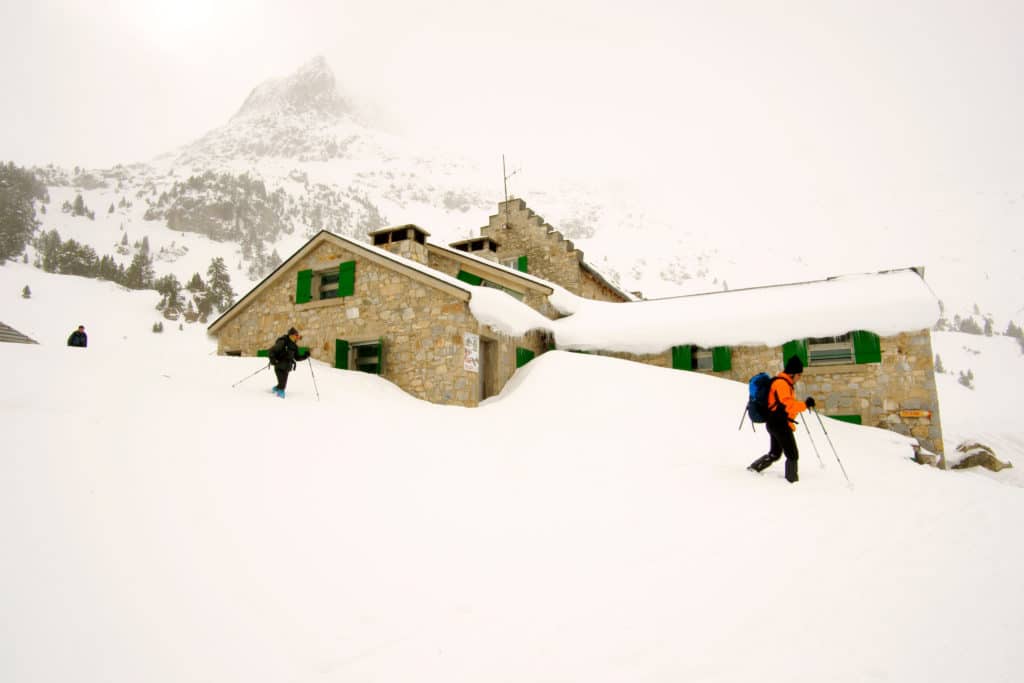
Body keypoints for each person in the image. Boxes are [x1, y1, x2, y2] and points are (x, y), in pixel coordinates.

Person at [747, 355, 816, 483]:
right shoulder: (781, 384)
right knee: (792, 455)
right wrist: (805, 405)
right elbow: (788, 404)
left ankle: (753, 469)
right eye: (799, 375)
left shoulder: (785, 383)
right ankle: (792, 482)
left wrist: (802, 407)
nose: (800, 378)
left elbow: (787, 407)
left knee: (775, 453)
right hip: (778, 424)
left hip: (775, 423)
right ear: (792, 374)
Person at [268, 327, 309, 398]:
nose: (297, 337)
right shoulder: (283, 342)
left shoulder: (294, 346)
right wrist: (273, 360)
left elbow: (297, 358)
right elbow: (272, 351)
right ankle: (280, 398)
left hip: (287, 367)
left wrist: (305, 356)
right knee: (282, 384)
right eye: (295, 335)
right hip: (279, 365)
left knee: (283, 383)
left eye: (297, 336)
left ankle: (276, 389)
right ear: (291, 335)